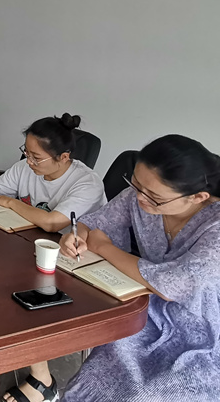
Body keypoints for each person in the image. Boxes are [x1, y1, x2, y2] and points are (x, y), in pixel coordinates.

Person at [57, 135, 220, 402]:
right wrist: (77, 235)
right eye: (136, 184)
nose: (140, 198)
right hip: (146, 307)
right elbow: (96, 222)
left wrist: (104, 248)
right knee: (99, 372)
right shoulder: (139, 196)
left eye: (154, 197)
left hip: (202, 329)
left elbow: (173, 285)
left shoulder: (215, 225)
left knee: (148, 393)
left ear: (197, 197)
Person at [0, 114, 107, 402]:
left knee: (16, 287)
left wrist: (9, 202)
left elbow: (52, 222)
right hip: (31, 248)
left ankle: (43, 382)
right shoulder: (26, 167)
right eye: (26, 152)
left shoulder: (86, 182)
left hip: (75, 264)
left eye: (36, 157)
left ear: (63, 157)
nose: (29, 162)